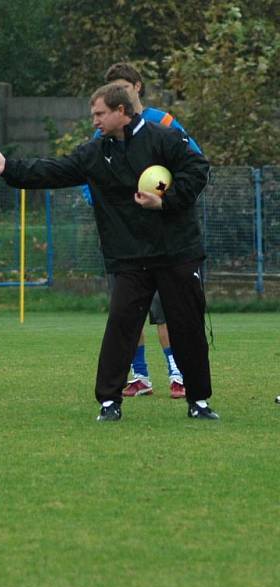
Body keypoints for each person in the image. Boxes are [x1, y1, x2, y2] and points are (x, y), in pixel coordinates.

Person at [0, 83, 218, 422]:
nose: (95, 120)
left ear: (121, 111)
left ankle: (199, 401)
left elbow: (198, 170)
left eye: (99, 113)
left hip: (177, 252)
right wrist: (8, 168)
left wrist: (166, 201)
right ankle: (109, 402)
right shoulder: (95, 152)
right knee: (120, 326)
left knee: (187, 326)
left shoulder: (165, 140)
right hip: (129, 257)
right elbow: (54, 170)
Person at [102, 63, 203, 400]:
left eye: (123, 86)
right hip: (126, 239)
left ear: (137, 88)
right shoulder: (105, 130)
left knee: (166, 311)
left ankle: (178, 373)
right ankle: (139, 375)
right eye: (112, 87)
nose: (118, 92)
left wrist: (167, 199)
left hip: (164, 238)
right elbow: (90, 173)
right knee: (126, 313)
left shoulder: (164, 123)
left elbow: (194, 161)